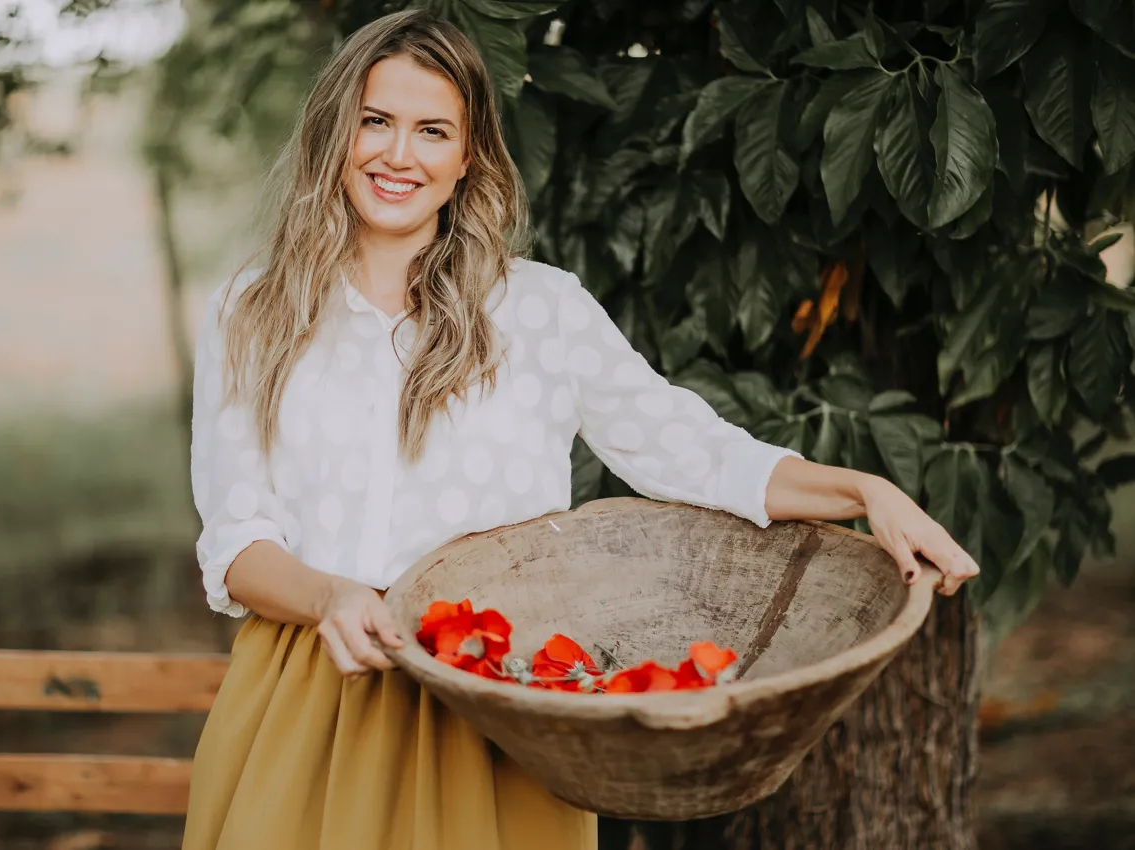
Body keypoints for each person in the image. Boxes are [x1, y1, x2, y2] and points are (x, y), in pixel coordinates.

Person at [180, 9, 980, 850]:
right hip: (317, 695)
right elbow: (236, 540)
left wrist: (866, 490)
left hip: (502, 707)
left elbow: (691, 453)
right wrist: (331, 595)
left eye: (431, 131)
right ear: (334, 134)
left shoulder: (541, 309)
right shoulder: (250, 312)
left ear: (468, 160)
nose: (398, 154)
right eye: (375, 122)